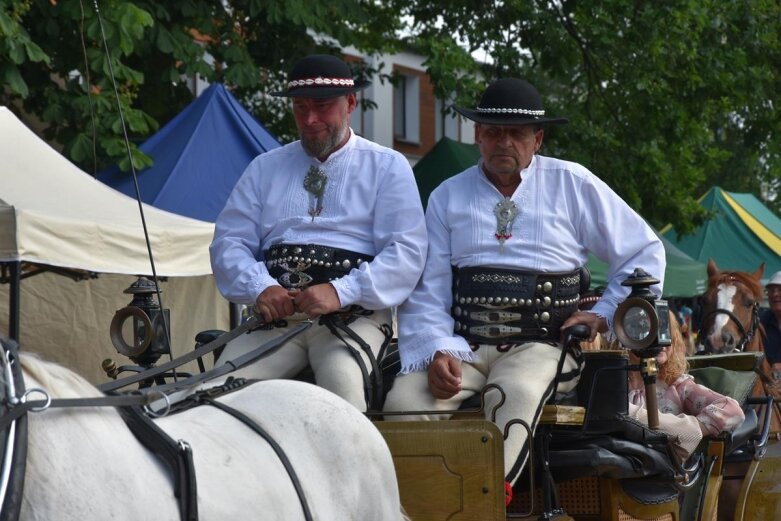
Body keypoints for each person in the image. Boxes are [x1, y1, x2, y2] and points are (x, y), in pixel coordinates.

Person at [382, 77, 667, 504]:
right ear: (477, 134)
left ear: (538, 139)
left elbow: (644, 252)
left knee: (511, 393)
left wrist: (603, 313)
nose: (504, 142)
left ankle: (486, 505)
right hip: (466, 347)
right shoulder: (447, 195)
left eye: (516, 133)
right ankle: (416, 508)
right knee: (403, 403)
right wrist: (439, 348)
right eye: (494, 131)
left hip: (545, 345)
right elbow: (429, 287)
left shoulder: (573, 183)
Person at [209, 54, 427, 411]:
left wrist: (341, 292)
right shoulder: (264, 167)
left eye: (323, 106)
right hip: (276, 320)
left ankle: (355, 469)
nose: (310, 120)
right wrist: (261, 286)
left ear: (351, 103)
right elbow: (228, 243)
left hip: (353, 319)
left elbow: (407, 252)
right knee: (216, 392)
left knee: (342, 390)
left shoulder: (387, 166)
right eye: (300, 107)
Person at [628, 311, 746, 463]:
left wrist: (690, 429)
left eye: (666, 332)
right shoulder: (610, 384)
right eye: (648, 331)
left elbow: (732, 410)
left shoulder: (677, 385)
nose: (662, 340)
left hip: (666, 477)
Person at [761, 271, 781, 382]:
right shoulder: (760, 323)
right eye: (771, 291)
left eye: (779, 289)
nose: (775, 294)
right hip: (767, 390)